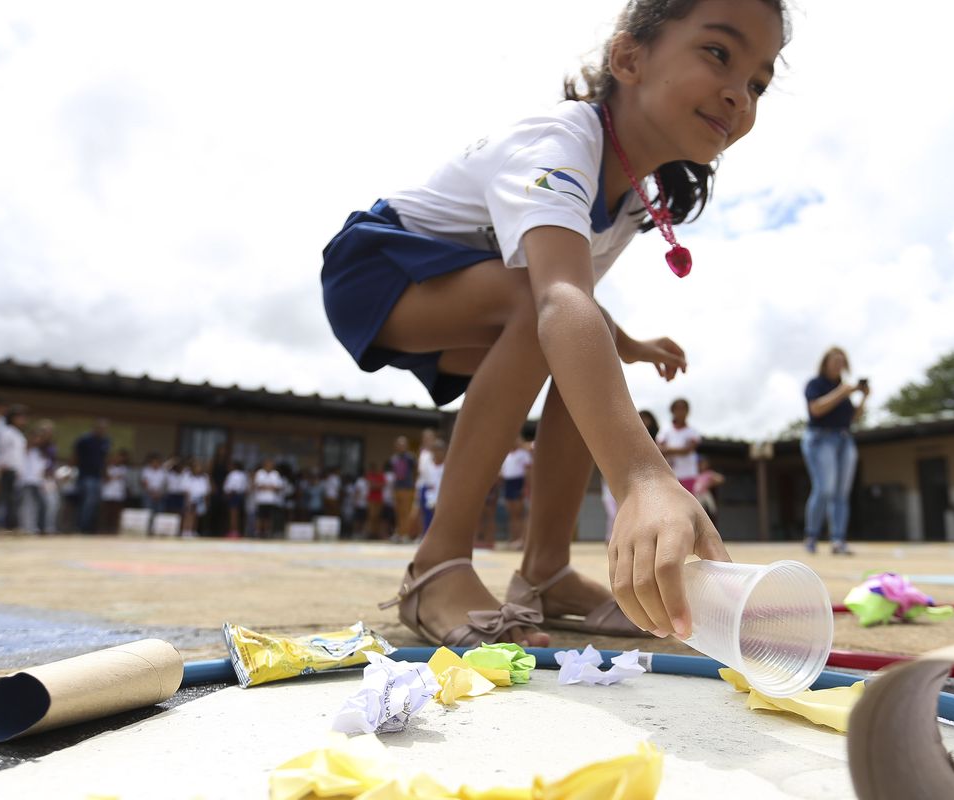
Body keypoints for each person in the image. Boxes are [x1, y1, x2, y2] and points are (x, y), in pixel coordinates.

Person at [319, 0, 782, 645]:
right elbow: (555, 297)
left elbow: (569, 299)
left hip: (484, 288)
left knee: (578, 356)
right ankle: (436, 564)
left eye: (759, 81)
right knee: (545, 317)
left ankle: (545, 572)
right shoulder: (560, 140)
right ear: (629, 59)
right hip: (380, 269)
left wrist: (627, 342)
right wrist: (643, 478)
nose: (740, 94)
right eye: (718, 54)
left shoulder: (632, 198)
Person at [801, 347, 867, 555]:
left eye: (842, 361)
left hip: (844, 439)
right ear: (825, 363)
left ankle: (838, 539)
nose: (839, 364)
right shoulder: (816, 384)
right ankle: (811, 535)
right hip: (821, 439)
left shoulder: (843, 389)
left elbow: (853, 418)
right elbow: (816, 409)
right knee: (824, 489)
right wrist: (842, 393)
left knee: (841, 493)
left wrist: (864, 398)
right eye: (835, 360)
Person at [604, 411, 659, 539]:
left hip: (641, 482)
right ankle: (612, 539)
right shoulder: (620, 439)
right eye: (641, 419)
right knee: (614, 512)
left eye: (646, 419)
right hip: (617, 480)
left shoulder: (656, 442)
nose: (644, 422)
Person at [0, 404, 29, 532]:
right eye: (20, 417)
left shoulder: (19, 434)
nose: (23, 420)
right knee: (6, 499)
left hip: (17, 470)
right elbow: (1, 450)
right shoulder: (7, 432)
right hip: (7, 469)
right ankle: (1, 525)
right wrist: (2, 465)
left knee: (14, 499)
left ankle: (11, 525)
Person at [72, 418, 111, 533]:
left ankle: (90, 527)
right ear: (95, 428)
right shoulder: (84, 439)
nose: (102, 430)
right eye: (100, 428)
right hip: (85, 475)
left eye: (105, 428)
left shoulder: (106, 441)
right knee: (87, 502)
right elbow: (75, 455)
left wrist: (106, 473)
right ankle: (81, 527)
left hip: (98, 476)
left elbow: (104, 459)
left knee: (95, 503)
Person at [657, 398, 701, 493]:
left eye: (683, 409)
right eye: (678, 409)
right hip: (669, 475)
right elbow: (659, 449)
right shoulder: (665, 430)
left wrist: (668, 450)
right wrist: (680, 450)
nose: (681, 412)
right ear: (672, 411)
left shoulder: (693, 431)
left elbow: (687, 450)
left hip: (688, 474)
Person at [499, 437, 534, 550]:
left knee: (519, 514)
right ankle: (513, 539)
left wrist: (526, 486)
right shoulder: (507, 455)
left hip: (518, 482)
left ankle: (521, 540)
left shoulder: (523, 454)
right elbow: (503, 472)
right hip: (508, 484)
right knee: (512, 515)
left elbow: (527, 470)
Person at [18, 421, 53, 535]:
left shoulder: (40, 452)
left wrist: (44, 482)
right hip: (26, 481)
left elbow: (41, 469)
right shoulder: (24, 449)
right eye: (35, 437)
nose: (37, 440)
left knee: (41, 505)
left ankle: (39, 527)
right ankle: (26, 527)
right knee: (27, 506)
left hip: (37, 482)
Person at [388, 436, 419, 540]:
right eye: (399, 444)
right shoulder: (394, 458)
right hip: (397, 487)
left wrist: (414, 485)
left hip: (407, 487)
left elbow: (416, 471)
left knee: (406, 512)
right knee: (398, 512)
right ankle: (399, 532)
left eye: (403, 444)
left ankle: (405, 534)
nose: (401, 446)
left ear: (406, 446)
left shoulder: (410, 458)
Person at [420, 437, 447, 535]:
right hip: (429, 495)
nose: (438, 453)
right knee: (427, 518)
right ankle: (426, 536)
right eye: (435, 450)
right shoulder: (428, 465)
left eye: (440, 450)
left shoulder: (447, 466)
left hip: (442, 495)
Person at [252, 460, 287, 538]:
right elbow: (257, 486)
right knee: (260, 517)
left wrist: (265, 487)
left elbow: (278, 487)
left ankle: (267, 532)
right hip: (261, 500)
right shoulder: (260, 473)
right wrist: (270, 487)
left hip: (271, 500)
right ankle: (258, 532)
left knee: (269, 517)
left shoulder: (275, 474)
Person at [101, 448, 130, 534]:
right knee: (106, 512)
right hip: (107, 493)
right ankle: (104, 529)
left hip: (119, 493)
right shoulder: (107, 468)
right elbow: (106, 479)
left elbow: (123, 478)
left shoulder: (124, 468)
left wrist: (113, 477)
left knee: (116, 513)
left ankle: (114, 529)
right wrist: (114, 476)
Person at [139, 453, 167, 535]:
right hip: (149, 494)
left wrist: (159, 493)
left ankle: (157, 529)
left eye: (157, 462)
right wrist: (151, 492)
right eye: (153, 462)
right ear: (151, 463)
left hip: (160, 494)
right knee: (147, 511)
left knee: (159, 512)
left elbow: (165, 484)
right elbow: (144, 483)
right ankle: (146, 529)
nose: (155, 464)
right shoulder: (146, 470)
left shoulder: (163, 471)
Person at [223, 460, 249, 538]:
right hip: (241, 496)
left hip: (233, 495)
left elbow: (229, 487)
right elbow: (246, 488)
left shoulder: (232, 474)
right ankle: (238, 531)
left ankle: (233, 531)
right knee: (239, 515)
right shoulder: (243, 474)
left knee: (233, 515)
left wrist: (227, 494)